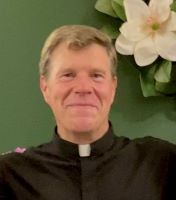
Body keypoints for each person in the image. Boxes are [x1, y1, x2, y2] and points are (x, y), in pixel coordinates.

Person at [0, 25, 176, 200]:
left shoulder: (161, 163)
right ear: (45, 87)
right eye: (68, 75)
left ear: (113, 87)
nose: (83, 88)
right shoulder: (10, 175)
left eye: (96, 75)